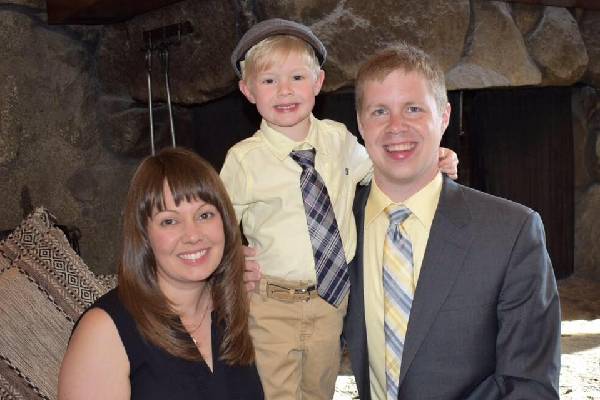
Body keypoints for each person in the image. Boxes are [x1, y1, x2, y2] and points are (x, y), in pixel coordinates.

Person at [222, 18, 458, 400]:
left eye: (297, 77)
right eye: (269, 81)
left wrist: (433, 160)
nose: (285, 90)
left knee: (321, 386)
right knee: (275, 391)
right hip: (271, 303)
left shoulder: (338, 139)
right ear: (248, 91)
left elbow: (382, 168)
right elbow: (218, 222)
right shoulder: (243, 160)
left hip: (331, 301)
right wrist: (231, 258)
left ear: (318, 82)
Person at [343, 44, 561, 399]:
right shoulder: (337, 225)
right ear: (360, 123)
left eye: (413, 109)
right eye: (380, 111)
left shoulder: (510, 234)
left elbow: (529, 386)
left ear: (444, 116)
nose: (396, 126)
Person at [58, 147, 264, 400]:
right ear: (144, 235)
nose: (193, 235)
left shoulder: (231, 310)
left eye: (205, 215)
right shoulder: (104, 332)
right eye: (169, 221)